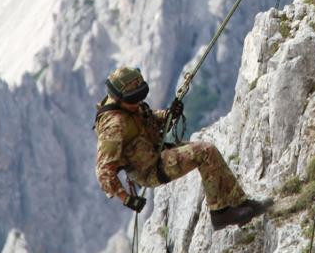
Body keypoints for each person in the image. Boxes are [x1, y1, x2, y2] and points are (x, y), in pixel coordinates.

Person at [93, 67, 271, 229]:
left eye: (140, 96)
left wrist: (169, 114)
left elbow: (147, 118)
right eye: (134, 99)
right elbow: (104, 171)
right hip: (150, 170)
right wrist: (127, 198)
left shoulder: (129, 105)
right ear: (120, 99)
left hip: (157, 153)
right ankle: (220, 213)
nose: (138, 102)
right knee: (205, 152)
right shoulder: (114, 126)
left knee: (210, 152)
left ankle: (240, 202)